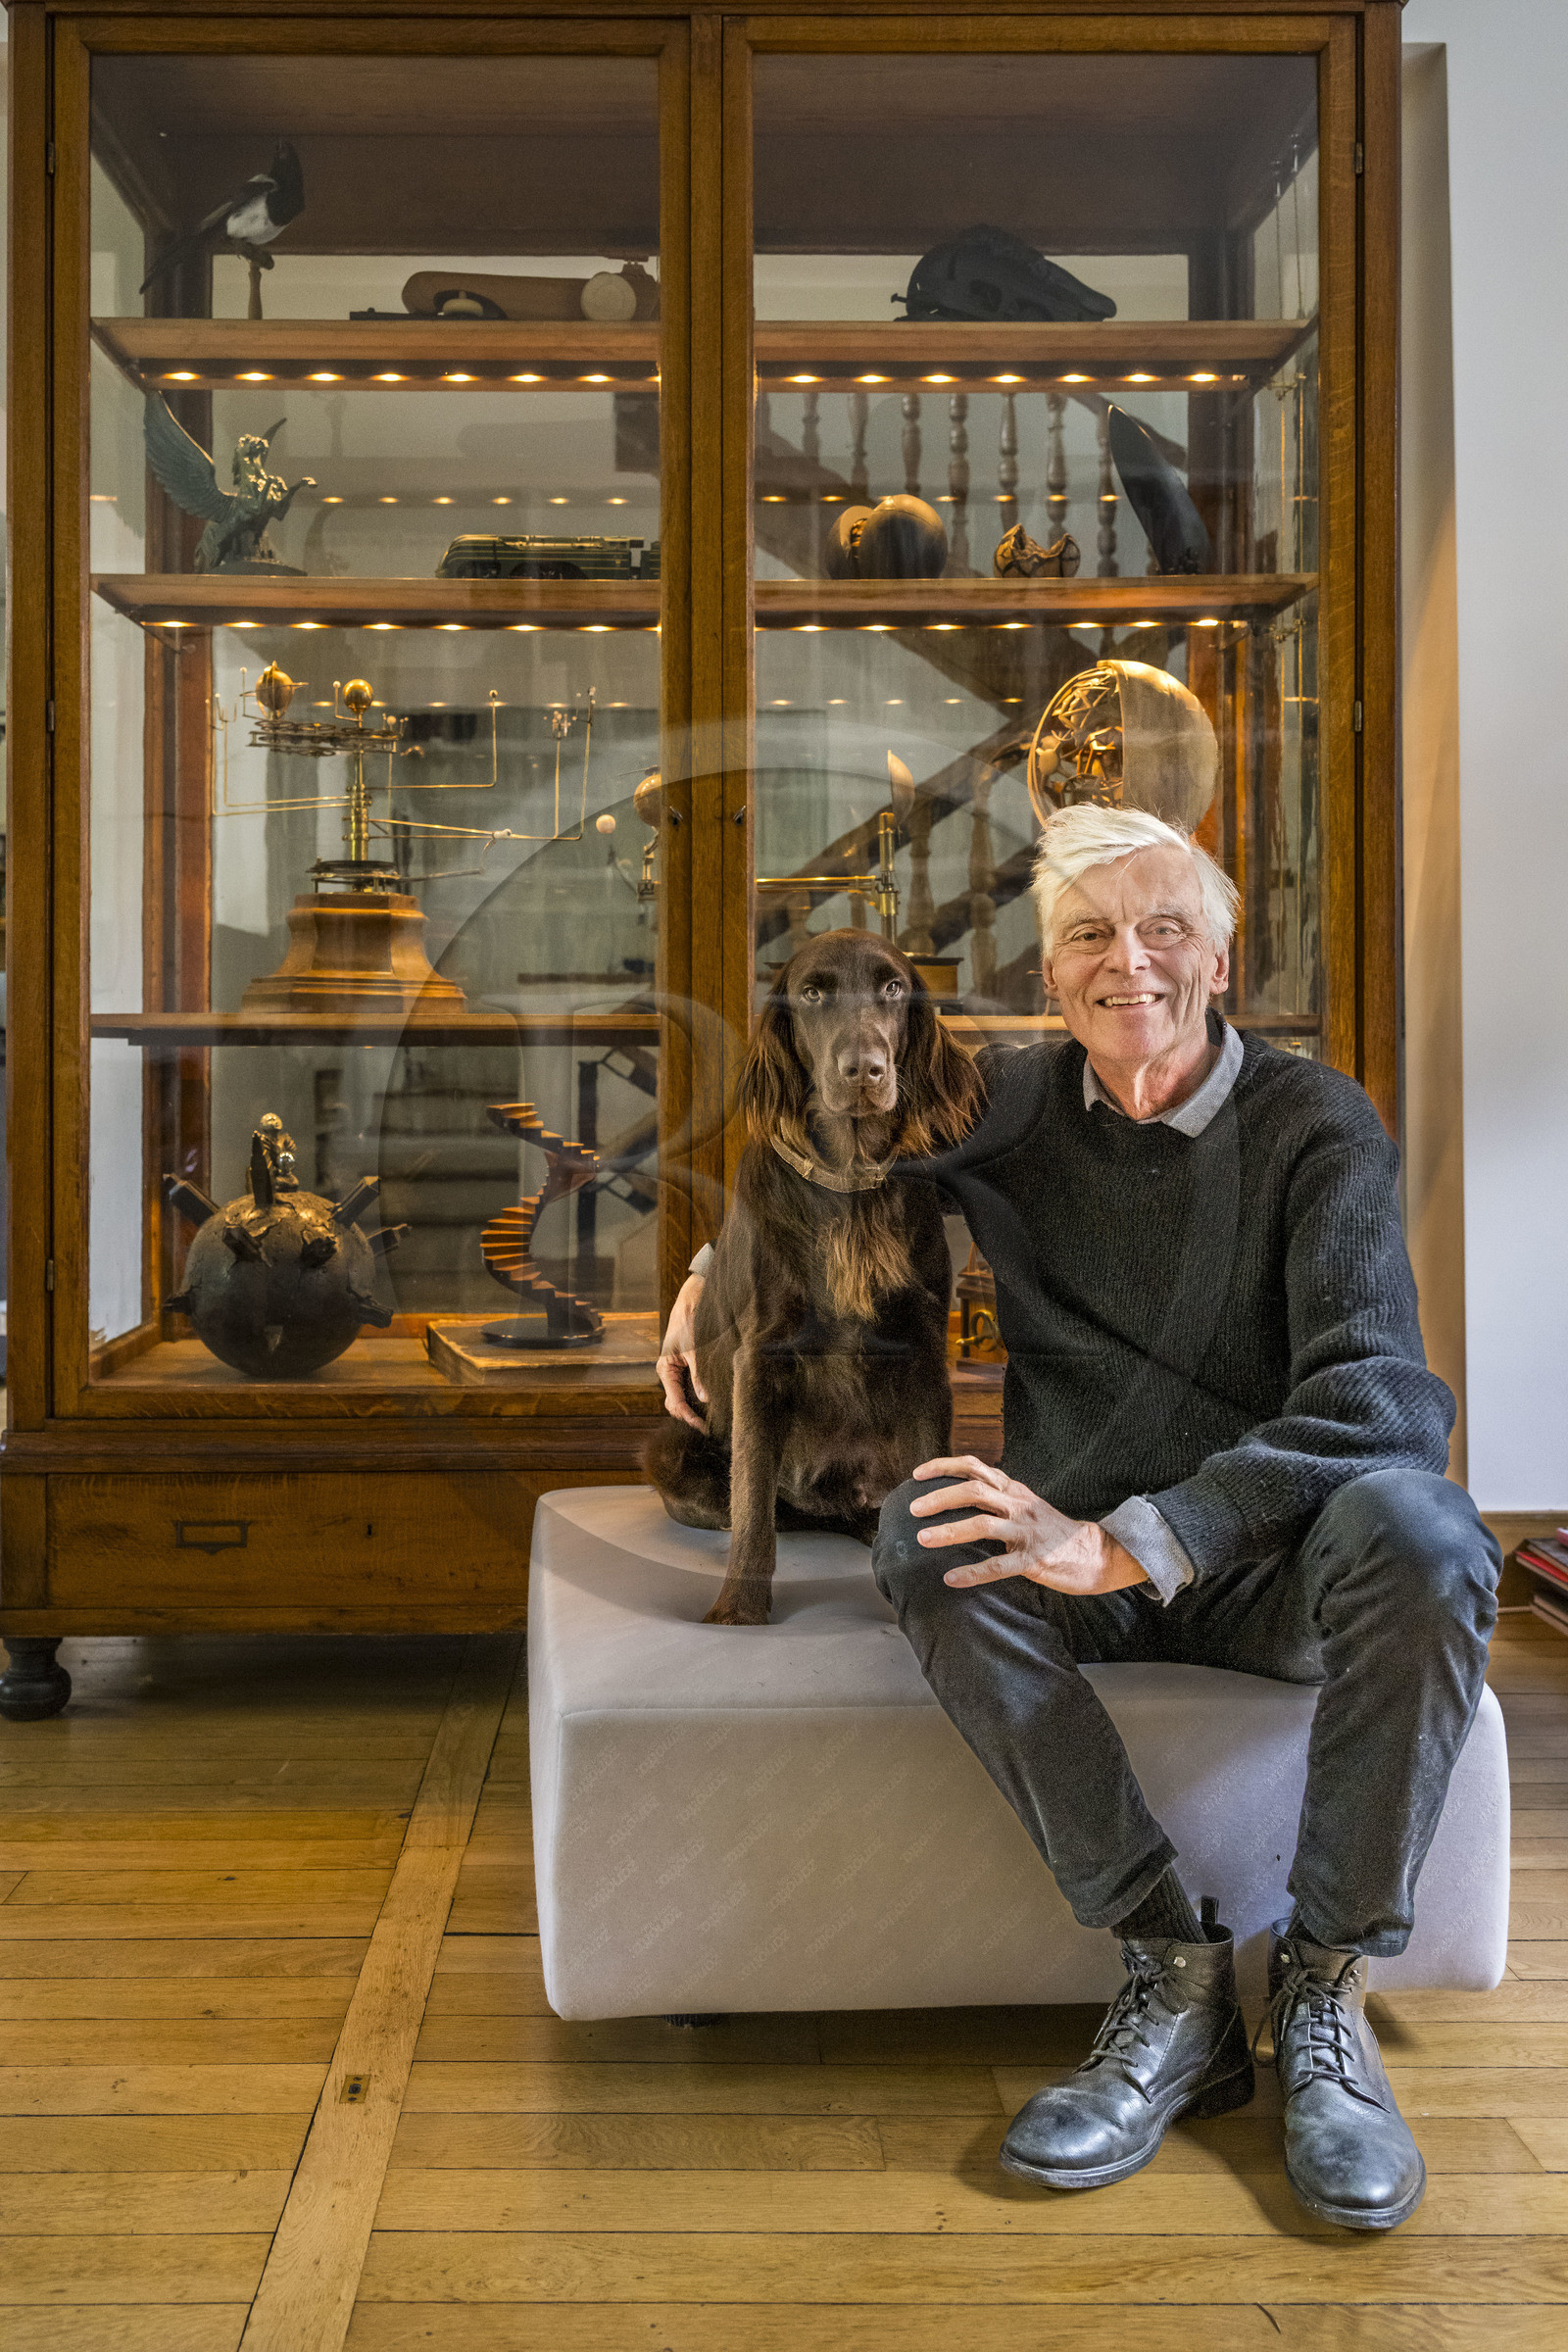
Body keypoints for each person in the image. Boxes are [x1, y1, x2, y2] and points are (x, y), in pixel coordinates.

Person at [657, 802, 1498, 2233]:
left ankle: (1325, 1993)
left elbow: (1389, 1401)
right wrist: (705, 1275)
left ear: (1221, 960)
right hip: (1082, 1563)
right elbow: (819, 1163)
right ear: (1051, 982)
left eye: (1167, 928)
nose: (1131, 965)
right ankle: (1171, 1971)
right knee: (923, 1537)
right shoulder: (1011, 1112)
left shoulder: (1319, 1125)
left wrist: (1141, 1533)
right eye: (1090, 939)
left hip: (1279, 1564)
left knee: (1427, 1532)